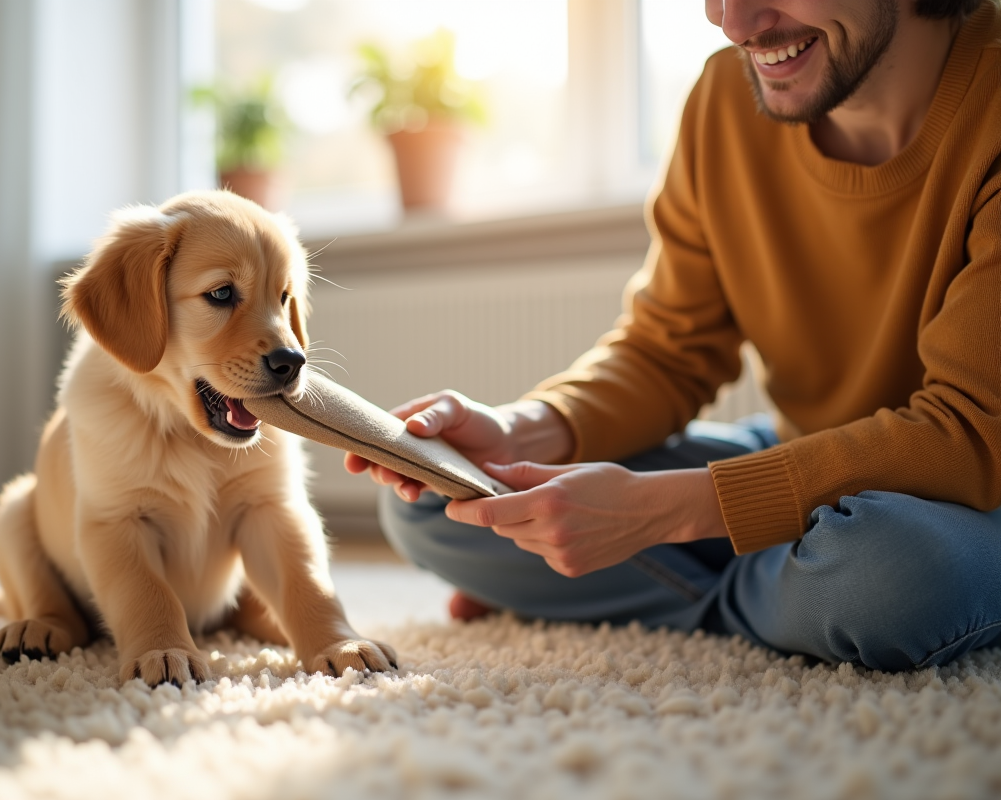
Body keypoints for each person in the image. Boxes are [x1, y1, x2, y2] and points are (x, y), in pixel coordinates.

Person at [345, 0, 1001, 673]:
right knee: (438, 498)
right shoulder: (726, 97)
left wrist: (663, 516)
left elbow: (972, 433)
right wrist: (527, 430)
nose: (734, 22)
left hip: (971, 502)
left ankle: (657, 593)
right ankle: (783, 595)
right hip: (803, 459)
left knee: (889, 581)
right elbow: (668, 350)